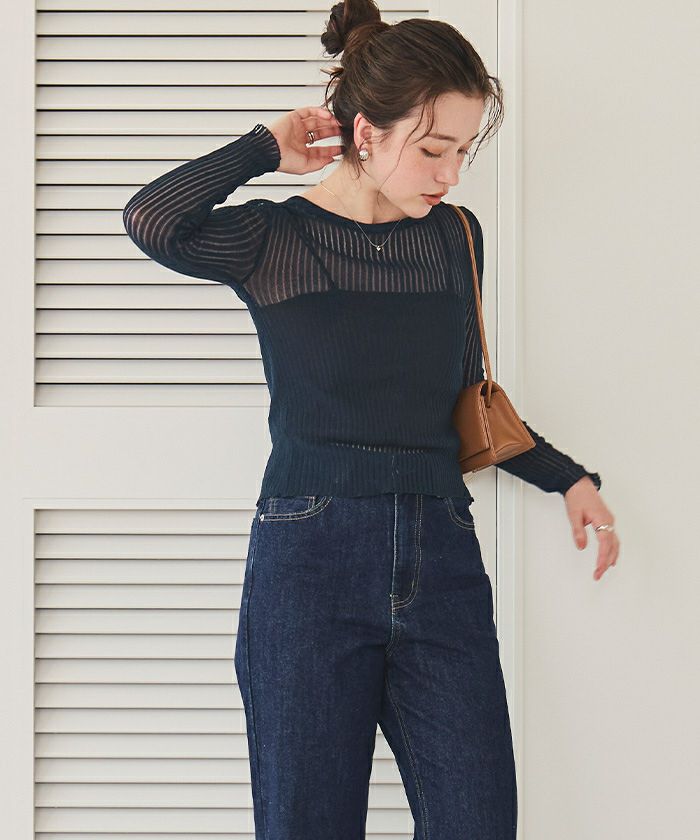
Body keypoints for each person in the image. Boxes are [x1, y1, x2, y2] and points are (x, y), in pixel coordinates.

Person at [122, 2, 619, 837]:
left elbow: (464, 393)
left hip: (442, 556)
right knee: (306, 824)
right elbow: (153, 219)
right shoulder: (273, 239)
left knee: (478, 822)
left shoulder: (455, 237)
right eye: (432, 149)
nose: (450, 174)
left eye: (462, 150)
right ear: (363, 132)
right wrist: (263, 147)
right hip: (309, 562)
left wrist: (566, 478)